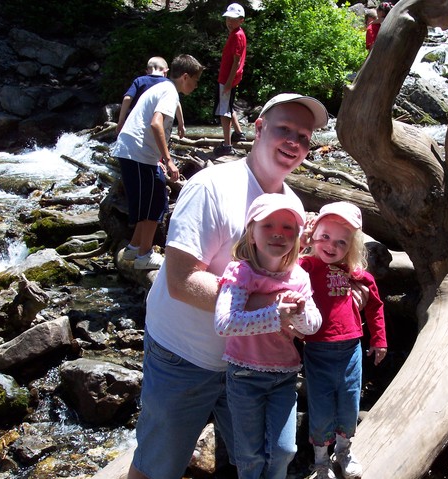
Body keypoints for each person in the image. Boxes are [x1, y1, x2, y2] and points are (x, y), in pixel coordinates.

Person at [125, 92, 329, 479]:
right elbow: (182, 281)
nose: (294, 142)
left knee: (255, 463)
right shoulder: (211, 187)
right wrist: (269, 309)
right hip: (185, 356)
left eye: (304, 136)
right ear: (258, 128)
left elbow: (290, 279)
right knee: (157, 466)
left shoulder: (292, 207)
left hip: (254, 368)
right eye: (284, 129)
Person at [214, 193, 322, 479]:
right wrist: (277, 315)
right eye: (268, 226)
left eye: (288, 227)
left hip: (285, 375)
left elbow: (312, 325)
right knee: (249, 454)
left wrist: (298, 311)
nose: (278, 233)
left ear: (297, 235)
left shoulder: (298, 276)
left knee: (285, 449)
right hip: (244, 375)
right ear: (251, 233)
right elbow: (224, 323)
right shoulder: (240, 272)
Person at [300, 201, 388, 479]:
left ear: (351, 246)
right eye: (324, 236)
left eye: (341, 241)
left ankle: (345, 450)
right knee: (321, 406)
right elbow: (280, 266)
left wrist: (380, 339)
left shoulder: (353, 273)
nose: (331, 245)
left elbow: (375, 304)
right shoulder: (305, 266)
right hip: (316, 350)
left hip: (351, 350)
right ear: (314, 234)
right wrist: (299, 238)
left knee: (349, 404)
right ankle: (321, 459)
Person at [113, 54, 204, 271]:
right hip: (137, 153)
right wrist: (170, 161)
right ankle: (145, 255)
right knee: (154, 204)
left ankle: (134, 248)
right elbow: (156, 124)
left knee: (154, 199)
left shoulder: (163, 88)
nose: (196, 85)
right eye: (196, 80)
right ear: (185, 77)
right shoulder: (169, 92)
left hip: (138, 153)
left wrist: (158, 160)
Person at [116, 56, 185, 138]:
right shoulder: (168, 84)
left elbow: (127, 98)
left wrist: (121, 121)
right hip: (158, 127)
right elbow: (176, 103)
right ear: (166, 71)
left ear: (147, 71)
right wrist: (181, 124)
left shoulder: (139, 81)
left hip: (138, 126)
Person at [213, 2, 247, 158]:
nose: (229, 22)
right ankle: (239, 133)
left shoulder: (238, 35)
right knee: (227, 106)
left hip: (227, 79)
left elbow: (236, 61)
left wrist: (228, 83)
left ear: (241, 20)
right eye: (228, 18)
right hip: (228, 78)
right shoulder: (236, 33)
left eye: (233, 19)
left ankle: (227, 145)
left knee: (223, 112)